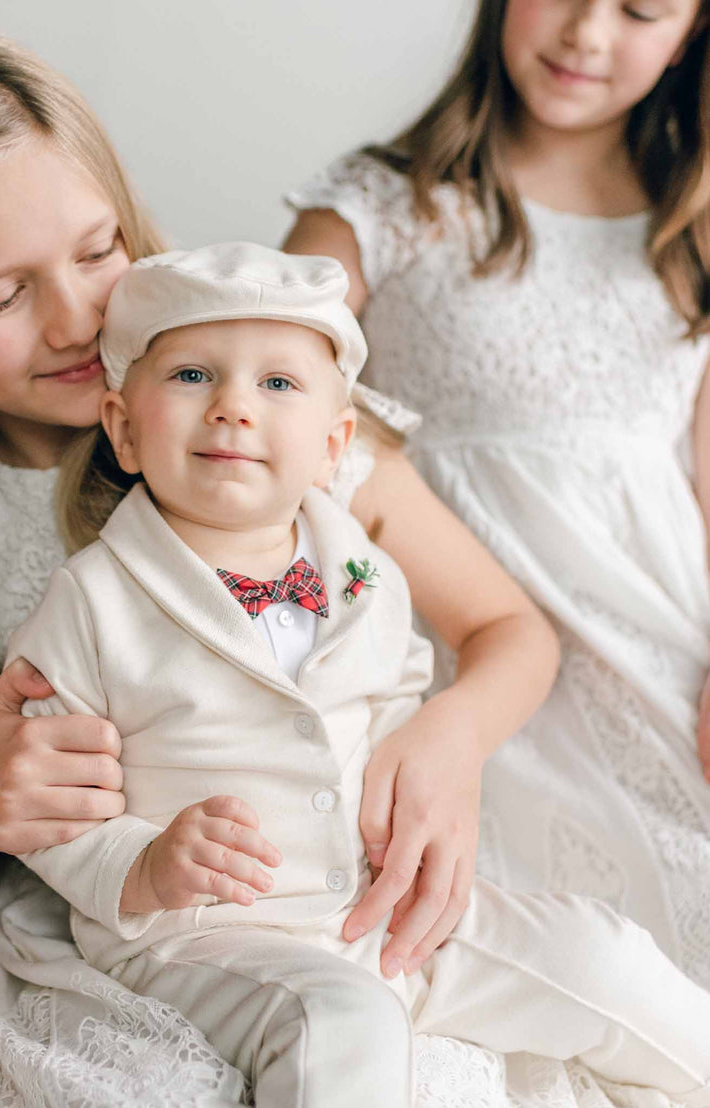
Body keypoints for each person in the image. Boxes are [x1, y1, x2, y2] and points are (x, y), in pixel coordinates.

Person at [0, 35, 572, 1104]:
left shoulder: (280, 424)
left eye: (96, 253)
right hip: (113, 945)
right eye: (0, 298)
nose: (75, 318)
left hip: (344, 896)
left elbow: (514, 632)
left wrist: (451, 738)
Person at [8, 240, 710, 1108]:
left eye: (277, 385)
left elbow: (402, 693)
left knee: (601, 955)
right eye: (192, 376)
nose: (232, 407)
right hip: (208, 936)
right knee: (343, 1020)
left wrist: (414, 790)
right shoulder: (90, 600)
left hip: (380, 913)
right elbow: (42, 803)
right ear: (121, 426)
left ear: (335, 443)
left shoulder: (365, 574)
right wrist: (146, 864)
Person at [283, 0, 710, 989]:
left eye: (640, 8)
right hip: (457, 651)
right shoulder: (374, 208)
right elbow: (267, 414)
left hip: (656, 650)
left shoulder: (689, 222)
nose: (585, 35)